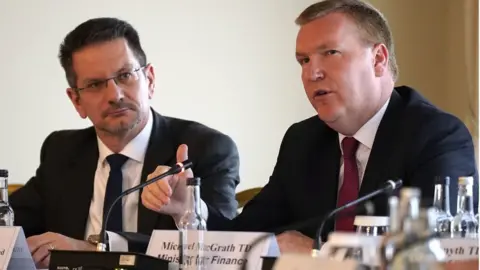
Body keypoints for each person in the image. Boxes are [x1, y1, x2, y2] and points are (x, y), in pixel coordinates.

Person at [140, 0, 478, 254]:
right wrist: (190, 209)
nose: (311, 73)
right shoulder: (303, 139)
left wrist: (321, 255)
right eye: (303, 60)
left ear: (377, 60)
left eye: (330, 53)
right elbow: (244, 237)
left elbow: (438, 254)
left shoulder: (436, 136)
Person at [9, 17, 240, 268]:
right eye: (95, 84)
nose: (114, 95)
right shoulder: (62, 151)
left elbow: (231, 246)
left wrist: (189, 212)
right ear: (76, 100)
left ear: (149, 80)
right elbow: (10, 222)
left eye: (125, 75)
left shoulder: (205, 149)